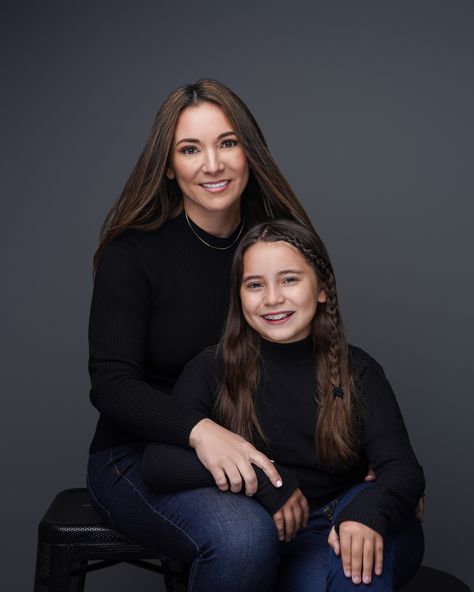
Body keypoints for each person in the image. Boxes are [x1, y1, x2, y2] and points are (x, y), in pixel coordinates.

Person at [87, 79, 317, 592]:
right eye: (190, 149)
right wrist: (201, 430)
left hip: (261, 449)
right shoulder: (133, 255)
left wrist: (381, 469)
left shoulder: (275, 245)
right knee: (244, 538)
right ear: (168, 166)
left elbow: (317, 358)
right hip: (136, 458)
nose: (212, 165)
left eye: (227, 143)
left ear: (249, 153)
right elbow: (111, 385)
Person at [142, 219, 425, 591]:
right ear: (238, 296)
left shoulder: (357, 370)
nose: (272, 298)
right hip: (286, 535)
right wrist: (264, 479)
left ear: (322, 289)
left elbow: (403, 469)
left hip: (355, 516)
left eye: (290, 280)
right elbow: (158, 464)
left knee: (356, 573)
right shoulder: (212, 369)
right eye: (255, 285)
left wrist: (368, 511)